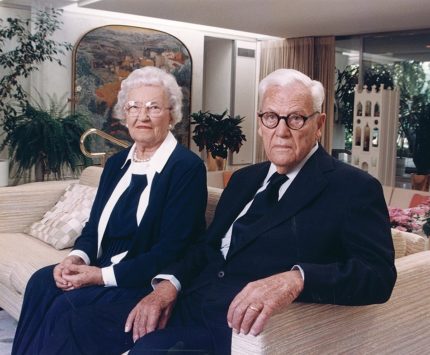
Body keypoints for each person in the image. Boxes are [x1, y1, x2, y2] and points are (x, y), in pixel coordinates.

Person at [41, 68, 396, 355]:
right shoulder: (244, 180)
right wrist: (167, 287)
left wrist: (297, 278)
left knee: (148, 348)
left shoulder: (352, 188)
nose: (282, 131)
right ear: (260, 123)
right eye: (271, 117)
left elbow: (378, 275)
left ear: (318, 125)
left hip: (232, 325)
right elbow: (206, 247)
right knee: (73, 316)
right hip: (188, 298)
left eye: (296, 118)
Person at [11, 66, 208, 355]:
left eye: (154, 107)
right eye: (134, 106)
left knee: (70, 310)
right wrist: (76, 258)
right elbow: (93, 228)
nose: (142, 116)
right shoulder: (116, 165)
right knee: (42, 281)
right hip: (103, 269)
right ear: (124, 113)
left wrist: (98, 276)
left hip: (141, 280)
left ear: (172, 115)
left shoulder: (186, 168)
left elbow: (171, 251)